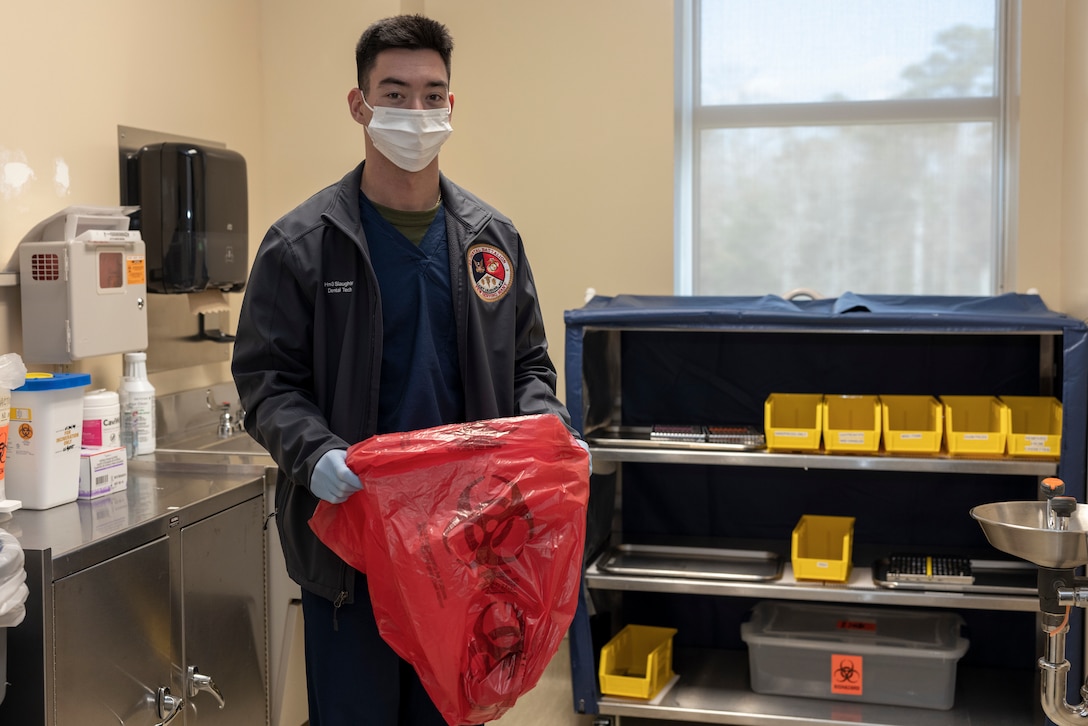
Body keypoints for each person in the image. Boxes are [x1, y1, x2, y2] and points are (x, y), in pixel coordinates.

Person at [231, 13, 580, 726]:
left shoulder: (492, 241)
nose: (414, 112)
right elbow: (267, 380)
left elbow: (528, 363)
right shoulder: (303, 245)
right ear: (359, 105)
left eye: (431, 95)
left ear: (451, 106)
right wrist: (314, 451)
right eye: (394, 94)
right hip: (353, 558)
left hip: (468, 558)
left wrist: (545, 418)